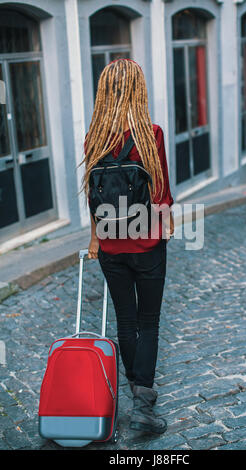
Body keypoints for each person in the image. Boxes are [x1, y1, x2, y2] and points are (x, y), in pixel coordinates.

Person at [79, 58, 174, 434]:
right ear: (139, 90)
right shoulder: (151, 133)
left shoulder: (94, 138)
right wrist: (166, 229)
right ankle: (143, 408)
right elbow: (162, 193)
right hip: (147, 243)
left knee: (126, 321)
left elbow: (91, 197)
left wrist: (93, 241)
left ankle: (136, 394)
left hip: (110, 247)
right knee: (149, 322)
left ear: (104, 92)